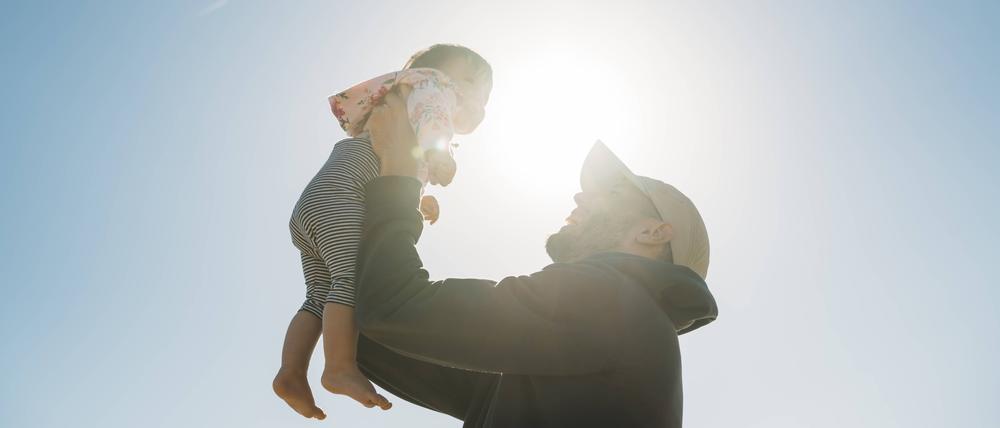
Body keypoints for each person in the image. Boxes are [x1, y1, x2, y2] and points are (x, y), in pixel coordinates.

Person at [347, 92, 718, 427]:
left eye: (613, 193)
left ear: (652, 233)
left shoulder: (612, 298)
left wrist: (398, 170)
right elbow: (378, 335)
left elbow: (392, 308)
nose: (579, 197)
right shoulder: (610, 337)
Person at [272, 44, 493, 419]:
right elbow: (432, 117)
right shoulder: (430, 86)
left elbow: (393, 169)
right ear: (432, 70)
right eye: (470, 81)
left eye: (485, 95)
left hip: (316, 204)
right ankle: (338, 367)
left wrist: (421, 200)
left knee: (318, 294)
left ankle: (291, 373)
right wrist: (440, 153)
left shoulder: (398, 106)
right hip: (343, 194)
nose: (475, 97)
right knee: (351, 277)